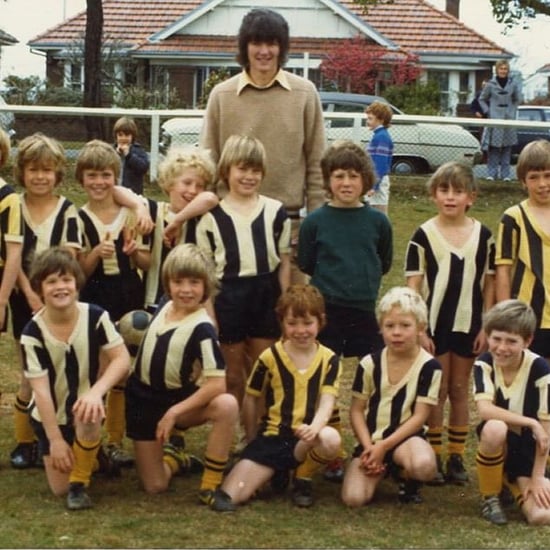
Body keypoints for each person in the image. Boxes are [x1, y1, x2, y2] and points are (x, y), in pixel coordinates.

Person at [200, 7, 326, 283]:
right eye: (257, 43)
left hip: (289, 226)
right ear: (245, 47)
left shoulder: (305, 94)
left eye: (272, 43)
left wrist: (313, 227)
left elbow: (318, 166)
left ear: (282, 47)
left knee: (288, 314)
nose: (264, 51)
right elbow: (206, 167)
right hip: (230, 224)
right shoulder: (222, 96)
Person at [298, 140, 392, 481]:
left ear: (366, 181)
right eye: (339, 176)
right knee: (327, 380)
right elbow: (307, 262)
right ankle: (331, 452)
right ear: (328, 181)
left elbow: (383, 262)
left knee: (375, 378)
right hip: (328, 311)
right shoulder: (316, 222)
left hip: (364, 311)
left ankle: (371, 445)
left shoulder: (377, 222)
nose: (346, 183)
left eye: (354, 176)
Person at [125, 243, 239, 511]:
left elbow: (217, 383)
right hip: (142, 399)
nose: (186, 290)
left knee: (227, 404)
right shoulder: (164, 306)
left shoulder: (203, 327)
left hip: (175, 400)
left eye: (194, 282)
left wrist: (174, 412)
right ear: (168, 283)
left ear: (206, 287)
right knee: (155, 486)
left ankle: (210, 485)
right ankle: (177, 460)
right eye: (178, 282)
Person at [405, 161, 495, 485]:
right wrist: (419, 329)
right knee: (437, 391)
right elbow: (413, 287)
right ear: (433, 195)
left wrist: (486, 326)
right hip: (435, 327)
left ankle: (456, 457)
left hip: (469, 324)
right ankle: (434, 454)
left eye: (458, 191)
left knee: (459, 390)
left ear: (471, 196)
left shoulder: (484, 236)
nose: (450, 197)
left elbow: (489, 285)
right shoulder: (423, 235)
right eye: (444, 190)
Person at [20, 247, 130, 510]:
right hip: (51, 417)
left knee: (87, 413)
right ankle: (91, 454)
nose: (61, 287)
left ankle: (79, 485)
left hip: (85, 408)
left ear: (77, 283)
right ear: (39, 288)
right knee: (58, 488)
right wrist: (55, 440)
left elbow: (122, 359)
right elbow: (42, 392)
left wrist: (95, 392)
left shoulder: (96, 316)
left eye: (67, 279)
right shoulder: (32, 334)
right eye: (52, 281)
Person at [220, 284, 342, 509]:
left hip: (305, 439)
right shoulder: (269, 357)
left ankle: (302, 476)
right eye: (292, 323)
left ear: (320, 322)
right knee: (230, 497)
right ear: (282, 323)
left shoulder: (329, 359)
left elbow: (327, 401)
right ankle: (276, 470)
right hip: (274, 437)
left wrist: (314, 427)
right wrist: (252, 437)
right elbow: (251, 398)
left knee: (330, 439)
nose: (300, 330)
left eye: (308, 323)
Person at [196, 134, 291, 407]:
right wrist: (210, 313)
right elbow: (207, 273)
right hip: (229, 297)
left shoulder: (275, 211)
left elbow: (283, 260)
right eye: (242, 169)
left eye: (255, 170)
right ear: (227, 170)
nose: (249, 176)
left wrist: (283, 301)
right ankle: (234, 429)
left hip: (265, 294)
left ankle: (259, 434)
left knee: (263, 373)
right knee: (233, 375)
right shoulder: (211, 218)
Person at [76, 139, 151, 467]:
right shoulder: (78, 217)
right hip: (95, 295)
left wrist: (137, 253)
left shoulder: (130, 214)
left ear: (115, 177)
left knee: (124, 370)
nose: (99, 182)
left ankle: (116, 440)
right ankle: (92, 441)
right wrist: (95, 253)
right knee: (97, 369)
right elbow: (79, 273)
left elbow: (147, 265)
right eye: (91, 175)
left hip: (127, 293)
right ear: (81, 179)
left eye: (106, 175)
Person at [341, 286, 442, 507]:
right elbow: (356, 410)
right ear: (381, 328)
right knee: (353, 499)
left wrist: (384, 447)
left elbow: (420, 416)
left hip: (405, 440)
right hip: (372, 441)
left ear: (420, 328)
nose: (397, 332)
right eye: (390, 326)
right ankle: (376, 467)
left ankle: (407, 476)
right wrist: (369, 447)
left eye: (405, 326)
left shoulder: (430, 366)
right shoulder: (369, 363)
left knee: (424, 465)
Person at [473, 299, 550, 525]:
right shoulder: (484, 363)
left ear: (527, 341)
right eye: (496, 339)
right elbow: (485, 410)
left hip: (530, 447)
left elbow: (545, 429)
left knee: (540, 516)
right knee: (495, 428)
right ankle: (490, 496)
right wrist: (530, 422)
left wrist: (538, 476)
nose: (502, 348)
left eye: (511, 341)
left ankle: (511, 481)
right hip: (501, 442)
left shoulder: (541, 370)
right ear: (488, 336)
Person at [143, 145, 218, 313]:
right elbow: (119, 192)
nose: (193, 191)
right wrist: (136, 206)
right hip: (154, 299)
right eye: (187, 183)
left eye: (200, 186)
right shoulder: (154, 211)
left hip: (192, 302)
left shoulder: (198, 216)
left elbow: (211, 198)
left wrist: (178, 221)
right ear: (169, 183)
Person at [495, 139, 550, 363]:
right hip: (528, 317)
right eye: (534, 177)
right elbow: (503, 269)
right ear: (523, 182)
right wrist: (506, 316)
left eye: (548, 175)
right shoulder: (513, 218)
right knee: (527, 383)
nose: (542, 184)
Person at [478, 60, 522, 181]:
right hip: (495, 120)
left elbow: (517, 99)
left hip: (508, 120)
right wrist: (488, 111)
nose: (503, 71)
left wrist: (512, 111)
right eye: (501, 68)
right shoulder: (490, 85)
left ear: (508, 70)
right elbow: (482, 99)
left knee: (507, 148)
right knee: (494, 148)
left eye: (505, 69)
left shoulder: (513, 84)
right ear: (497, 70)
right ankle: (491, 174)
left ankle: (506, 175)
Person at [364, 101, 394, 215]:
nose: (368, 121)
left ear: (381, 120)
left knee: (379, 211)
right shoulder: (378, 135)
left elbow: (380, 164)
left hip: (378, 181)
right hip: (374, 179)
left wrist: (374, 185)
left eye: (370, 118)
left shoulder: (382, 137)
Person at [113, 116, 149, 195]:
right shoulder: (111, 150)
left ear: (132, 136)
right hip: (114, 191)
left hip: (132, 192)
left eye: (127, 135)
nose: (123, 138)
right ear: (116, 136)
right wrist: (115, 154)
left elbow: (143, 167)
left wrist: (129, 155)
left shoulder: (138, 150)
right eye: (120, 135)